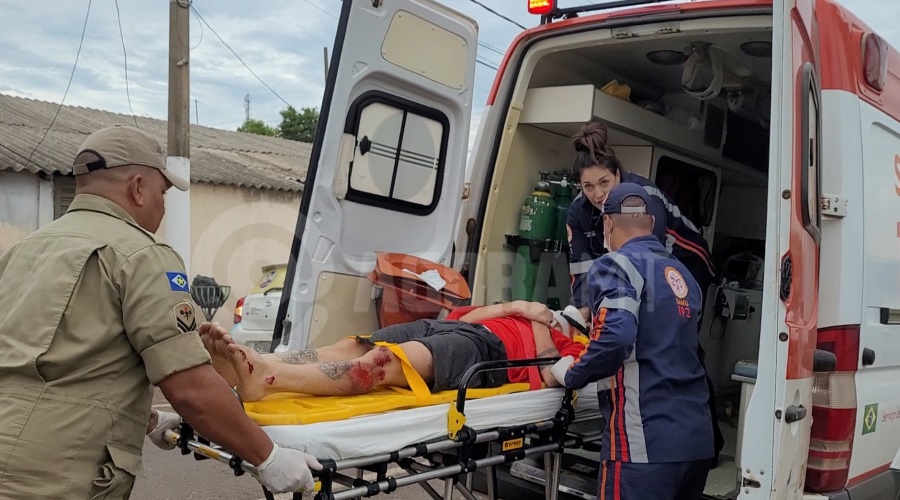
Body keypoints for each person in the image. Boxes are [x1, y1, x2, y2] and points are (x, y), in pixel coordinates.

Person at [0, 126, 318, 498]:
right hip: (57, 477)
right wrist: (269, 458)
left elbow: (54, 366)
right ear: (137, 188)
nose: (162, 206)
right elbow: (190, 390)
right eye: (162, 193)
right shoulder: (141, 253)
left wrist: (144, 419)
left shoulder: (25, 250)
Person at [565, 121, 724, 465]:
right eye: (588, 186)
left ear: (618, 175)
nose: (597, 194)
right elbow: (581, 270)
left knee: (675, 349)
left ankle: (705, 443)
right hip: (641, 267)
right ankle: (630, 427)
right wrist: (582, 313)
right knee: (624, 335)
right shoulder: (578, 212)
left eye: (604, 183)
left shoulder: (641, 200)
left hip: (687, 265)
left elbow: (652, 263)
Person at [553, 183, 714, 499]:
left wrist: (572, 374)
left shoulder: (616, 264)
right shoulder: (682, 275)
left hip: (644, 444)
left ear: (608, 224)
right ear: (651, 224)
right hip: (695, 441)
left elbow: (616, 335)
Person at [200, 301, 586, 402]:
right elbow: (465, 315)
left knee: (378, 366)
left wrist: (542, 326)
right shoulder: (531, 310)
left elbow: (553, 374)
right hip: (454, 325)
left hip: (485, 350)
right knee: (352, 344)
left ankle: (266, 381)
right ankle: (259, 362)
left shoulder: (575, 347)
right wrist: (516, 306)